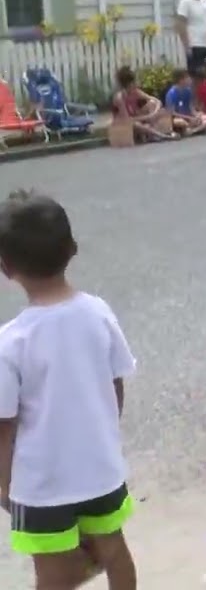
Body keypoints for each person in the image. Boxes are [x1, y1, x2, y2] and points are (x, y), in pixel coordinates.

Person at [0, 190, 138, 590]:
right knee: (114, 551)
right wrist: (104, 439)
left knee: (52, 573)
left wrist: (5, 485)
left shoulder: (11, 342)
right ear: (73, 248)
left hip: (41, 485)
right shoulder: (98, 312)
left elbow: (4, 426)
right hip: (100, 470)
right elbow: (116, 384)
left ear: (6, 267)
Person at [111, 67, 174, 142]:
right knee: (137, 124)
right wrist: (147, 117)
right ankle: (161, 135)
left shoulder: (136, 92)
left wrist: (154, 113)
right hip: (123, 122)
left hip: (136, 116)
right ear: (129, 84)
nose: (136, 84)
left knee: (152, 103)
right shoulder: (119, 98)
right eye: (134, 82)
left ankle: (152, 131)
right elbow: (127, 119)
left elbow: (157, 101)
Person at [164, 68, 206, 135]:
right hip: (177, 118)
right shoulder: (171, 93)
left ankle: (193, 130)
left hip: (189, 116)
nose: (190, 80)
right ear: (181, 80)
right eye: (187, 78)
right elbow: (172, 113)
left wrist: (196, 115)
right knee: (180, 122)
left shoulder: (188, 91)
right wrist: (189, 118)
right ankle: (198, 128)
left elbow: (191, 107)